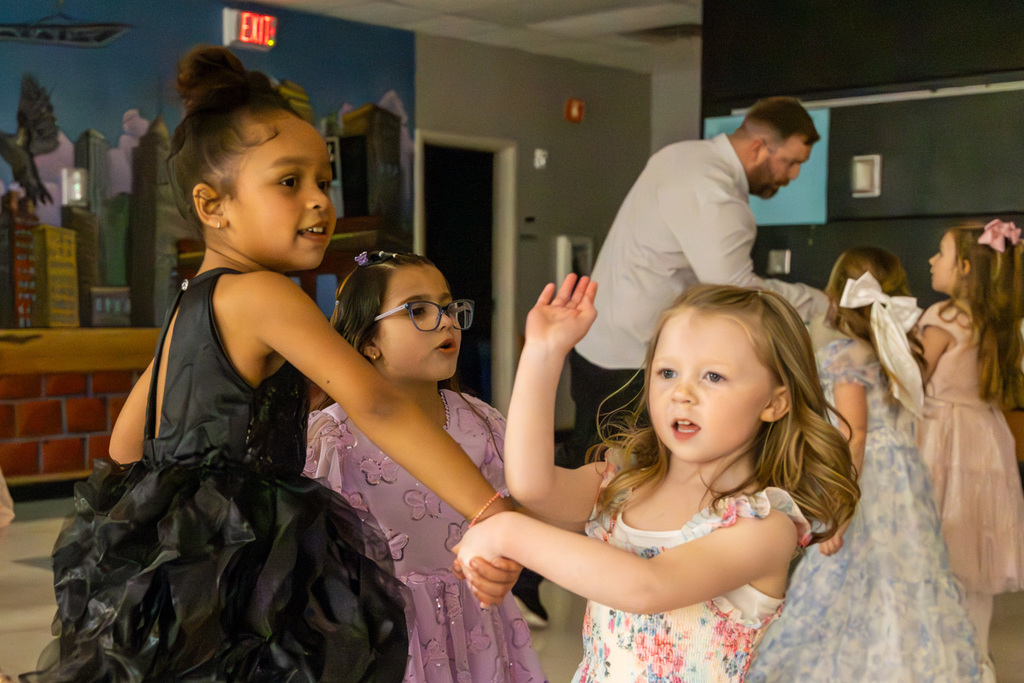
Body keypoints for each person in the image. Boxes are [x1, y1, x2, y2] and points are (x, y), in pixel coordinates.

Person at [23, 46, 514, 683]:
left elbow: (125, 444)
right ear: (212, 205)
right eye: (289, 182)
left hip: (179, 565)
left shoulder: (191, 301)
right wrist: (488, 508)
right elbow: (379, 402)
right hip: (245, 555)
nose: (318, 201)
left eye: (323, 181)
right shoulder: (264, 292)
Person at [457, 277, 860, 682]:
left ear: (774, 402)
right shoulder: (622, 484)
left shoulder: (764, 527)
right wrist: (543, 354)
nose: (681, 393)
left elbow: (647, 588)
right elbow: (534, 487)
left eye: (713, 377)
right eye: (667, 371)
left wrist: (509, 532)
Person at [304, 251, 547, 682]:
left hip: (475, 626)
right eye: (418, 310)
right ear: (368, 341)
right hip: (381, 630)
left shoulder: (482, 422)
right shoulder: (332, 434)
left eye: (450, 308)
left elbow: (522, 505)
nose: (447, 322)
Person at [748, 248, 979, 681]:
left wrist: (839, 512)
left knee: (845, 572)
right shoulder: (892, 347)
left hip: (866, 479)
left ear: (837, 295)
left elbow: (854, 436)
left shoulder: (846, 355)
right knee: (901, 572)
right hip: (904, 479)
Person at [567, 96, 829, 471]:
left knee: (590, 464)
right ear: (758, 147)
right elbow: (737, 289)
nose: (792, 176)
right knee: (627, 479)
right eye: (790, 162)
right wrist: (819, 303)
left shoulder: (679, 156)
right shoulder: (714, 189)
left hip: (594, 343)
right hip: (633, 363)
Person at [917, 220, 1024, 681]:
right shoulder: (1001, 324)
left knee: (934, 541)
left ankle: (930, 658)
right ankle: (974, 660)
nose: (930, 261)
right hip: (986, 438)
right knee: (973, 553)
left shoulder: (943, 318)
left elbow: (910, 378)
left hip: (941, 437)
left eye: (939, 254)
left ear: (963, 267)